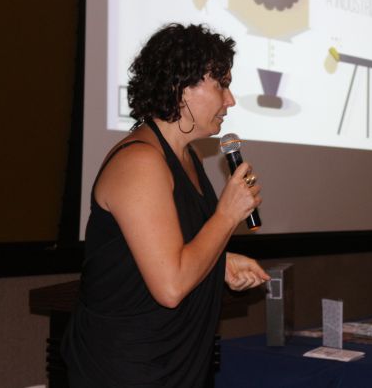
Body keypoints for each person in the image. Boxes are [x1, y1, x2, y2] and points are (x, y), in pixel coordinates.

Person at [61, 23, 269, 387]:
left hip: (171, 363)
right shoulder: (140, 162)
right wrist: (226, 216)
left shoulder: (188, 157)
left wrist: (220, 263)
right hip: (125, 370)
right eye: (221, 85)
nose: (230, 100)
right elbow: (170, 286)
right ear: (181, 88)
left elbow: (166, 249)